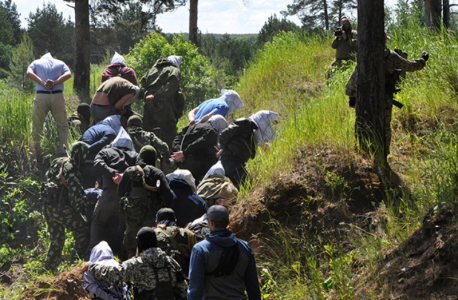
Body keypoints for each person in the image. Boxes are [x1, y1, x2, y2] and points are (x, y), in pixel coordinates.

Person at [345, 33, 428, 157]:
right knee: (384, 127)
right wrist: (423, 60)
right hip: (384, 99)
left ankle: (362, 154)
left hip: (365, 100)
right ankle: (383, 156)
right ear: (384, 41)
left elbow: (350, 85)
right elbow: (411, 66)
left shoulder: (364, 57)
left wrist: (353, 97)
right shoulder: (391, 57)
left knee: (363, 125)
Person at [83, 227, 188, 300]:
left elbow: (113, 274)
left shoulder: (137, 264)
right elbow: (183, 288)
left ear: (139, 244)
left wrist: (90, 266)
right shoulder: (171, 262)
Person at [84, 129, 138, 259]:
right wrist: (125, 175)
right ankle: (125, 254)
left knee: (97, 221)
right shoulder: (134, 155)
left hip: (110, 194)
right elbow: (141, 168)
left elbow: (97, 163)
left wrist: (113, 173)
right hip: (127, 196)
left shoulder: (105, 152)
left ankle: (91, 253)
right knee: (125, 225)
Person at [187, 205, 261, 300]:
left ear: (211, 223)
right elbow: (253, 286)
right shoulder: (245, 247)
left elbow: (195, 288)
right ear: (227, 222)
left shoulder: (200, 249)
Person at [40, 141, 91, 269]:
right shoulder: (73, 171)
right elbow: (76, 201)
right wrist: (92, 201)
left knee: (56, 240)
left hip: (48, 205)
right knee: (83, 229)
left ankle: (48, 269)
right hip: (61, 207)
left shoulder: (58, 161)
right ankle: (74, 265)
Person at [118, 145, 174, 258]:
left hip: (132, 218)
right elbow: (169, 195)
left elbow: (120, 192)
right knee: (150, 249)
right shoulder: (157, 173)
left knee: (132, 249)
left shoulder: (129, 172)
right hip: (151, 220)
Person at [27, 53, 72, 156]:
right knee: (62, 126)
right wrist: (55, 82)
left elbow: (29, 73)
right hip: (57, 96)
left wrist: (43, 83)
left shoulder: (36, 63)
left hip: (41, 96)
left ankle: (36, 152)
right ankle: (63, 151)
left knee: (37, 125)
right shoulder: (60, 63)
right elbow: (68, 74)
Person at [140, 55, 185, 149]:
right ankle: (168, 160)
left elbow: (142, 84)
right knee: (169, 136)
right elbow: (172, 85)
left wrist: (147, 96)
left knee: (148, 135)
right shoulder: (174, 69)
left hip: (148, 106)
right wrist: (157, 96)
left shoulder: (152, 70)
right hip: (164, 108)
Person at [79, 115, 122, 189]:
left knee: (88, 191)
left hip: (82, 162)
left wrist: (82, 153)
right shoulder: (110, 132)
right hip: (93, 163)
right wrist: (88, 150)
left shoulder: (93, 128)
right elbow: (101, 143)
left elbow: (80, 141)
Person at [154, 208, 199, 276]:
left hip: (158, 279)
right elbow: (196, 258)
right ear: (175, 220)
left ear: (156, 221)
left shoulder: (151, 234)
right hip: (183, 278)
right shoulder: (188, 234)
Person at [171, 120, 218, 184]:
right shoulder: (210, 128)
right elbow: (206, 138)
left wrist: (180, 153)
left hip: (183, 162)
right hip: (198, 163)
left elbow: (176, 141)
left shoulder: (189, 127)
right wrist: (184, 153)